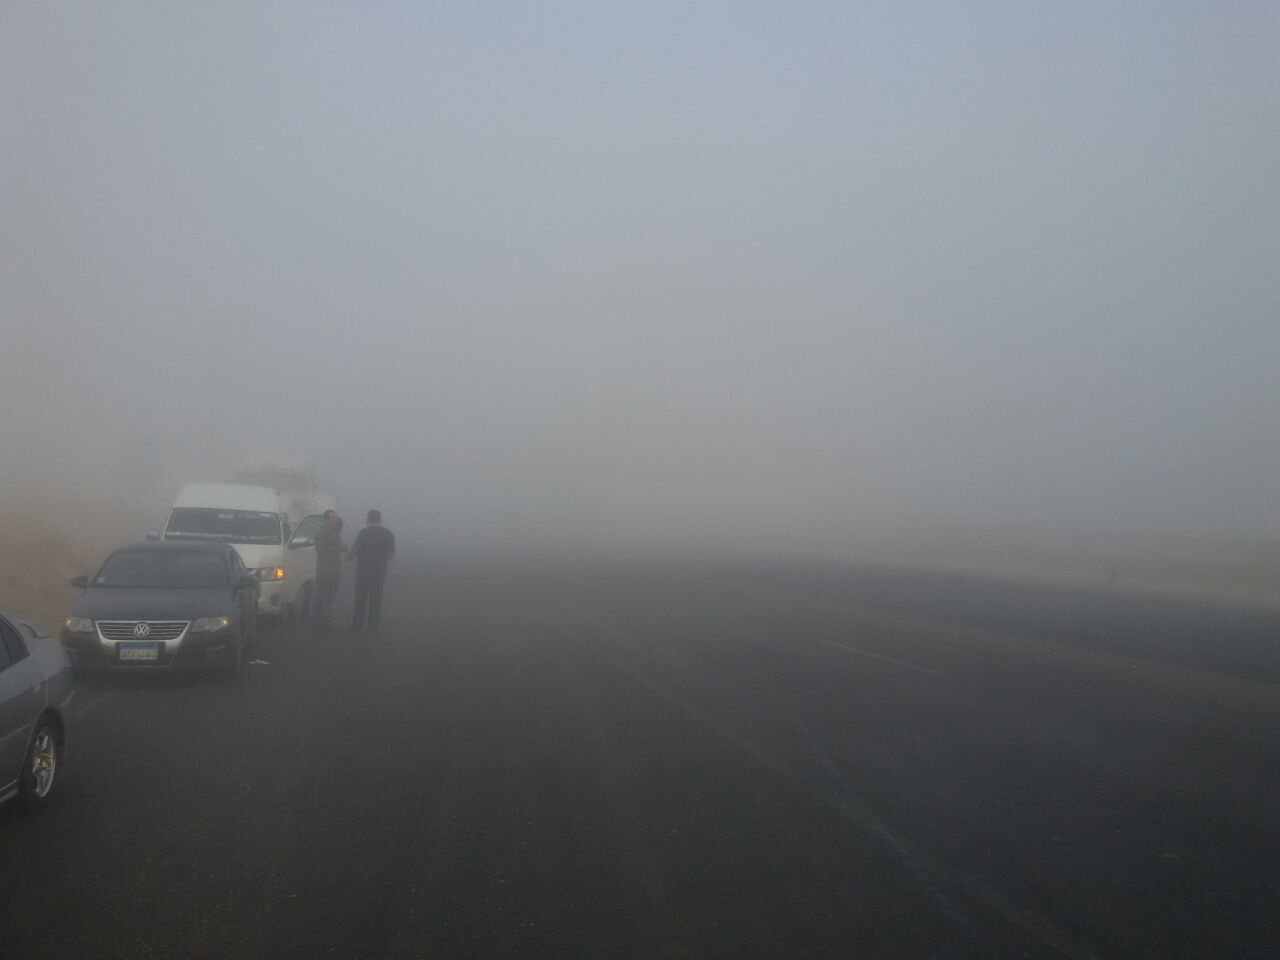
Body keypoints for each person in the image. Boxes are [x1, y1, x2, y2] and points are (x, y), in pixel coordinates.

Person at [347, 509, 395, 634]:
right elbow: (391, 553)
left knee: (360, 599)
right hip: (379, 572)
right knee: (376, 599)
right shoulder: (388, 534)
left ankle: (357, 625)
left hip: (363, 571)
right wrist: (382, 560)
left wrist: (347, 558)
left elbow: (355, 550)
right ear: (380, 519)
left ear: (368, 519)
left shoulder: (363, 533)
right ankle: (372, 627)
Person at [311, 510, 346, 633]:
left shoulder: (318, 533)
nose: (335, 520)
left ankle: (317, 624)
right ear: (326, 519)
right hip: (332, 571)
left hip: (321, 569)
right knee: (329, 599)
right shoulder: (332, 534)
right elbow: (344, 547)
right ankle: (325, 626)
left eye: (335, 518)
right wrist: (338, 533)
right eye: (332, 518)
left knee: (319, 598)